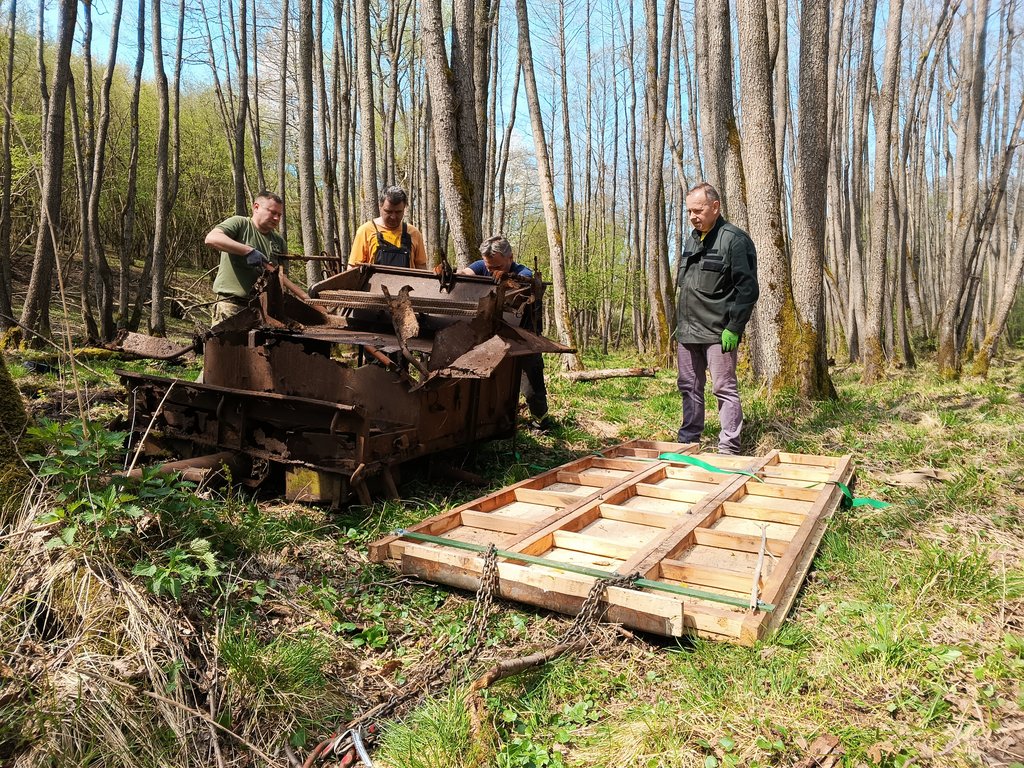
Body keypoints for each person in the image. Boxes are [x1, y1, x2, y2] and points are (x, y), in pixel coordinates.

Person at [675, 182, 759, 455]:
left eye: (698, 210)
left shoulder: (734, 240)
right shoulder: (692, 239)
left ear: (715, 206)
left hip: (718, 331)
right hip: (687, 332)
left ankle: (729, 448)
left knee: (724, 388)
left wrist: (734, 327)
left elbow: (747, 289)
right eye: (689, 211)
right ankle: (689, 440)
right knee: (689, 387)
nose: (692, 216)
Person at [461, 235, 551, 426]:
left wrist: (509, 278)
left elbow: (527, 280)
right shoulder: (481, 266)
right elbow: (465, 274)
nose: (491, 270)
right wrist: (453, 274)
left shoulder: (522, 272)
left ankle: (539, 421)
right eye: (488, 266)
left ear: (510, 258)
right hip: (492, 335)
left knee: (531, 382)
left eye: (497, 267)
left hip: (523, 337)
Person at [205, 191, 309, 324]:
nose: (277, 218)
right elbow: (211, 238)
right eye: (272, 212)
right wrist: (247, 250)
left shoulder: (279, 241)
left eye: (279, 215)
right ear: (256, 207)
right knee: (227, 344)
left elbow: (283, 280)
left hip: (264, 312)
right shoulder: (240, 224)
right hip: (232, 307)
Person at [348, 186, 428, 270]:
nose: (393, 217)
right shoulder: (365, 231)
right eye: (388, 211)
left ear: (404, 208)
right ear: (380, 207)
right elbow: (353, 268)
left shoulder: (413, 233)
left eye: (398, 212)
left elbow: (421, 268)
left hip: (409, 283)